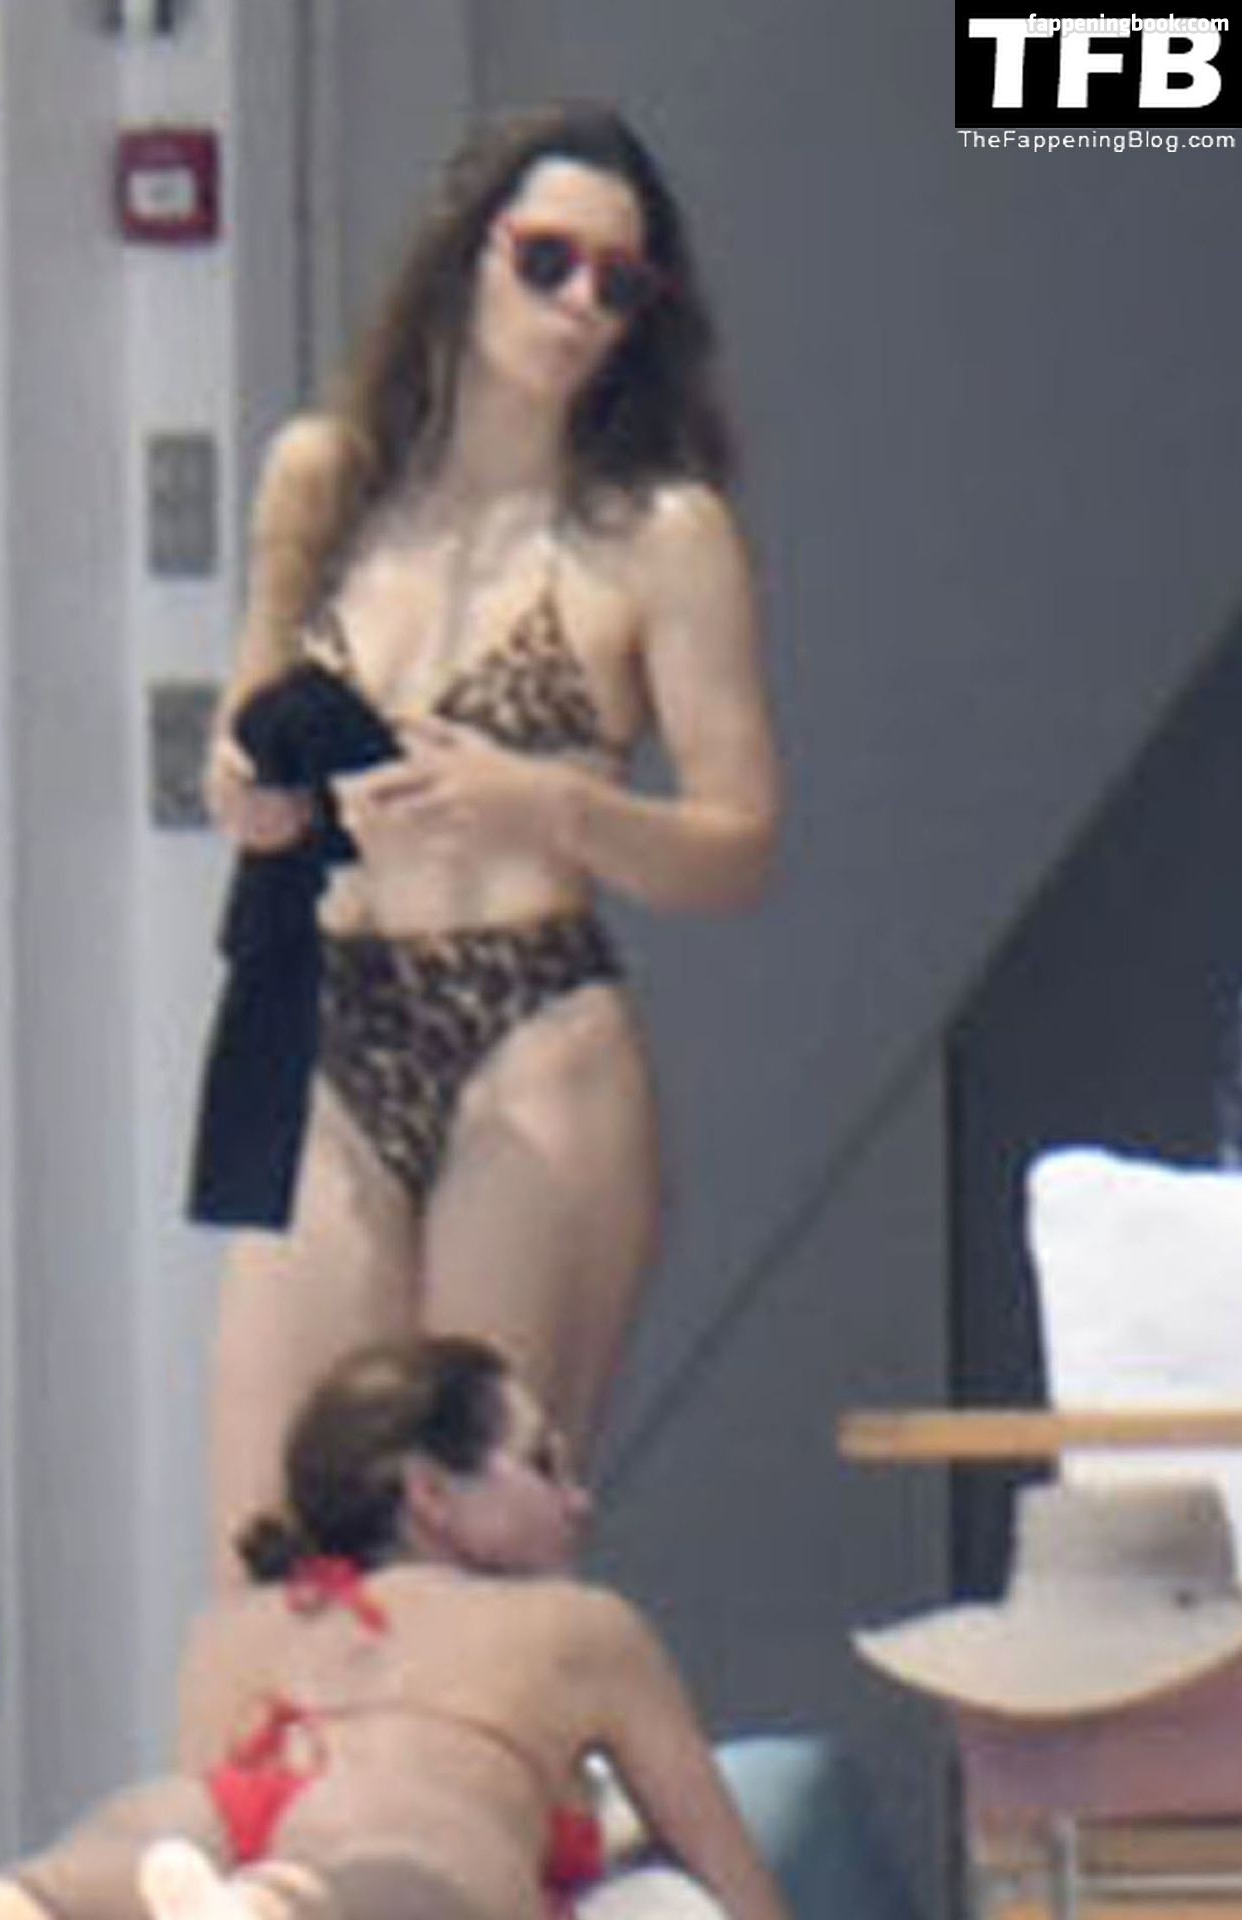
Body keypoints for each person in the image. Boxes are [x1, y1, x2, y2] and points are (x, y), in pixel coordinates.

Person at [200, 100, 781, 1579]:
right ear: (467, 254)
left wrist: (550, 803)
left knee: (483, 1558)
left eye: (619, 283)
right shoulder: (325, 479)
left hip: (532, 1027)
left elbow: (738, 841)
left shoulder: (657, 532)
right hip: (329, 1014)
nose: (580, 304)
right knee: (275, 1556)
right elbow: (241, 733)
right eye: (546, 261)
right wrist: (253, 796)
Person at [0, 1336, 791, 1920]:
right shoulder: (579, 1626)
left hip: (215, 1814)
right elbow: (741, 1894)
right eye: (544, 1464)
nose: (578, 1499)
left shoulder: (241, 1624)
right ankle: (265, 1907)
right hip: (418, 1814)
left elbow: (221, 1789)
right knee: (345, 1896)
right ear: (431, 1495)